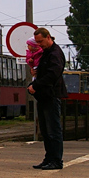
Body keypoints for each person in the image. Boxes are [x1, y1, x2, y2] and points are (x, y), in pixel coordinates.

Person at [27, 28, 67, 170]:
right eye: (37, 42)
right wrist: (35, 72)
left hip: (51, 95)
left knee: (53, 129)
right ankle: (49, 158)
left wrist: (35, 85)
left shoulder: (55, 54)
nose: (39, 44)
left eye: (41, 41)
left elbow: (52, 74)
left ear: (48, 37)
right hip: (44, 95)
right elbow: (45, 71)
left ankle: (56, 160)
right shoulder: (47, 53)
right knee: (45, 129)